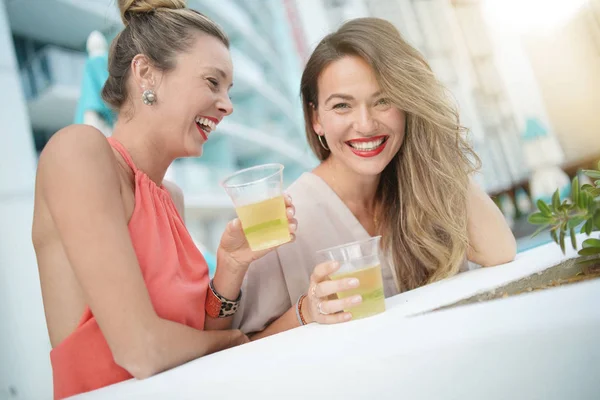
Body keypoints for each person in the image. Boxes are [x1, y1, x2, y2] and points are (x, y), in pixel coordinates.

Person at [31, 0, 296, 398]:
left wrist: (230, 266)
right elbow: (143, 350)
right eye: (212, 82)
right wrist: (233, 342)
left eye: (228, 89)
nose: (227, 104)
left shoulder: (171, 197)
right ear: (146, 73)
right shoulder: (78, 152)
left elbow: (190, 342)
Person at [233, 18, 516, 338]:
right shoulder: (286, 219)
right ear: (316, 119)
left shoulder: (422, 189)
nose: (365, 124)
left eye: (383, 100)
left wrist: (435, 137)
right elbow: (242, 344)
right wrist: (306, 311)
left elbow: (499, 251)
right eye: (342, 106)